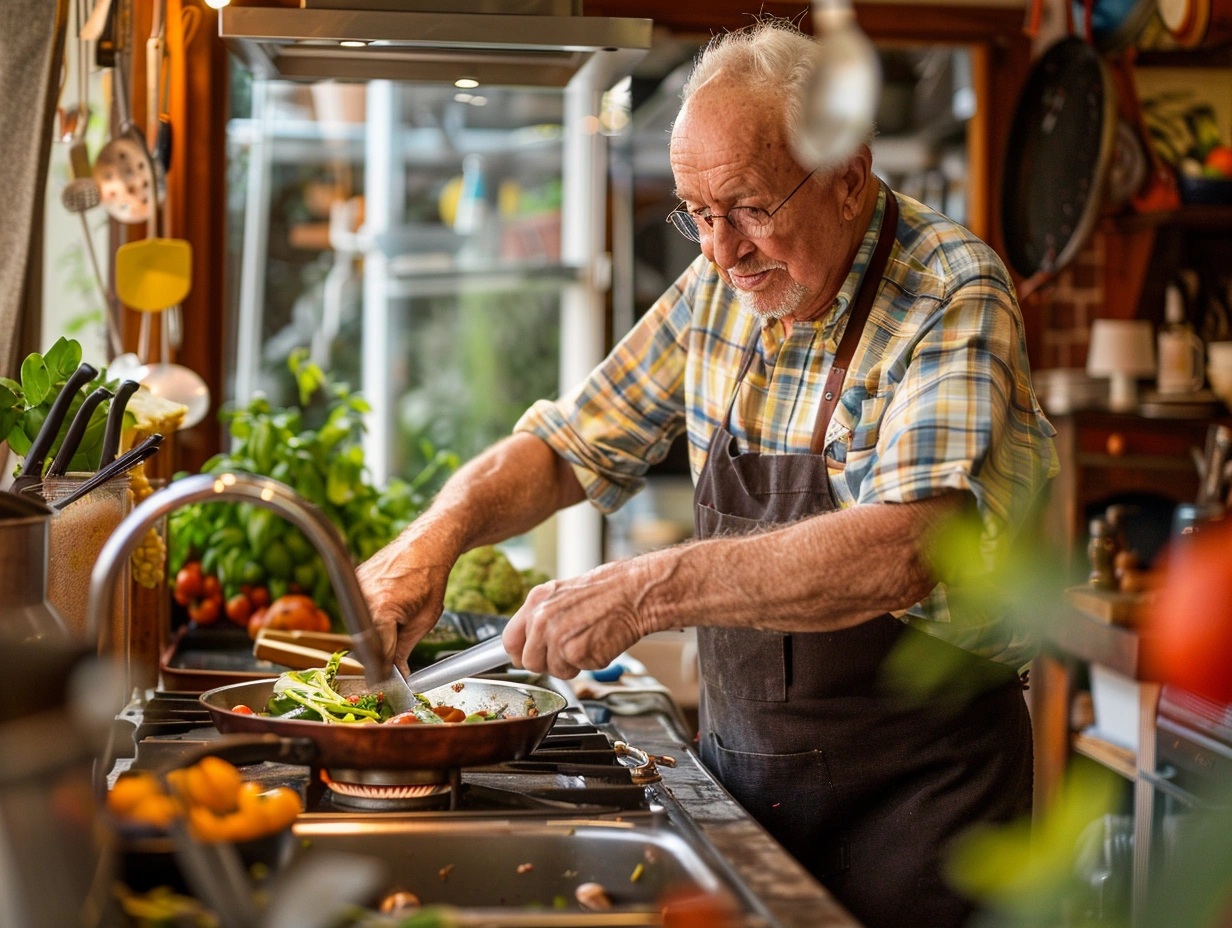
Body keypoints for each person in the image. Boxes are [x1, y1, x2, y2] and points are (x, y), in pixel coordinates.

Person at [358, 19, 1058, 928]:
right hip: (753, 787)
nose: (722, 250)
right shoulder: (721, 286)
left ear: (849, 174)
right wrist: (431, 541)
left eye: (752, 208)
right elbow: (573, 443)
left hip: (925, 813)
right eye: (697, 213)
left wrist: (647, 589)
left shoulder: (951, 292)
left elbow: (907, 546)